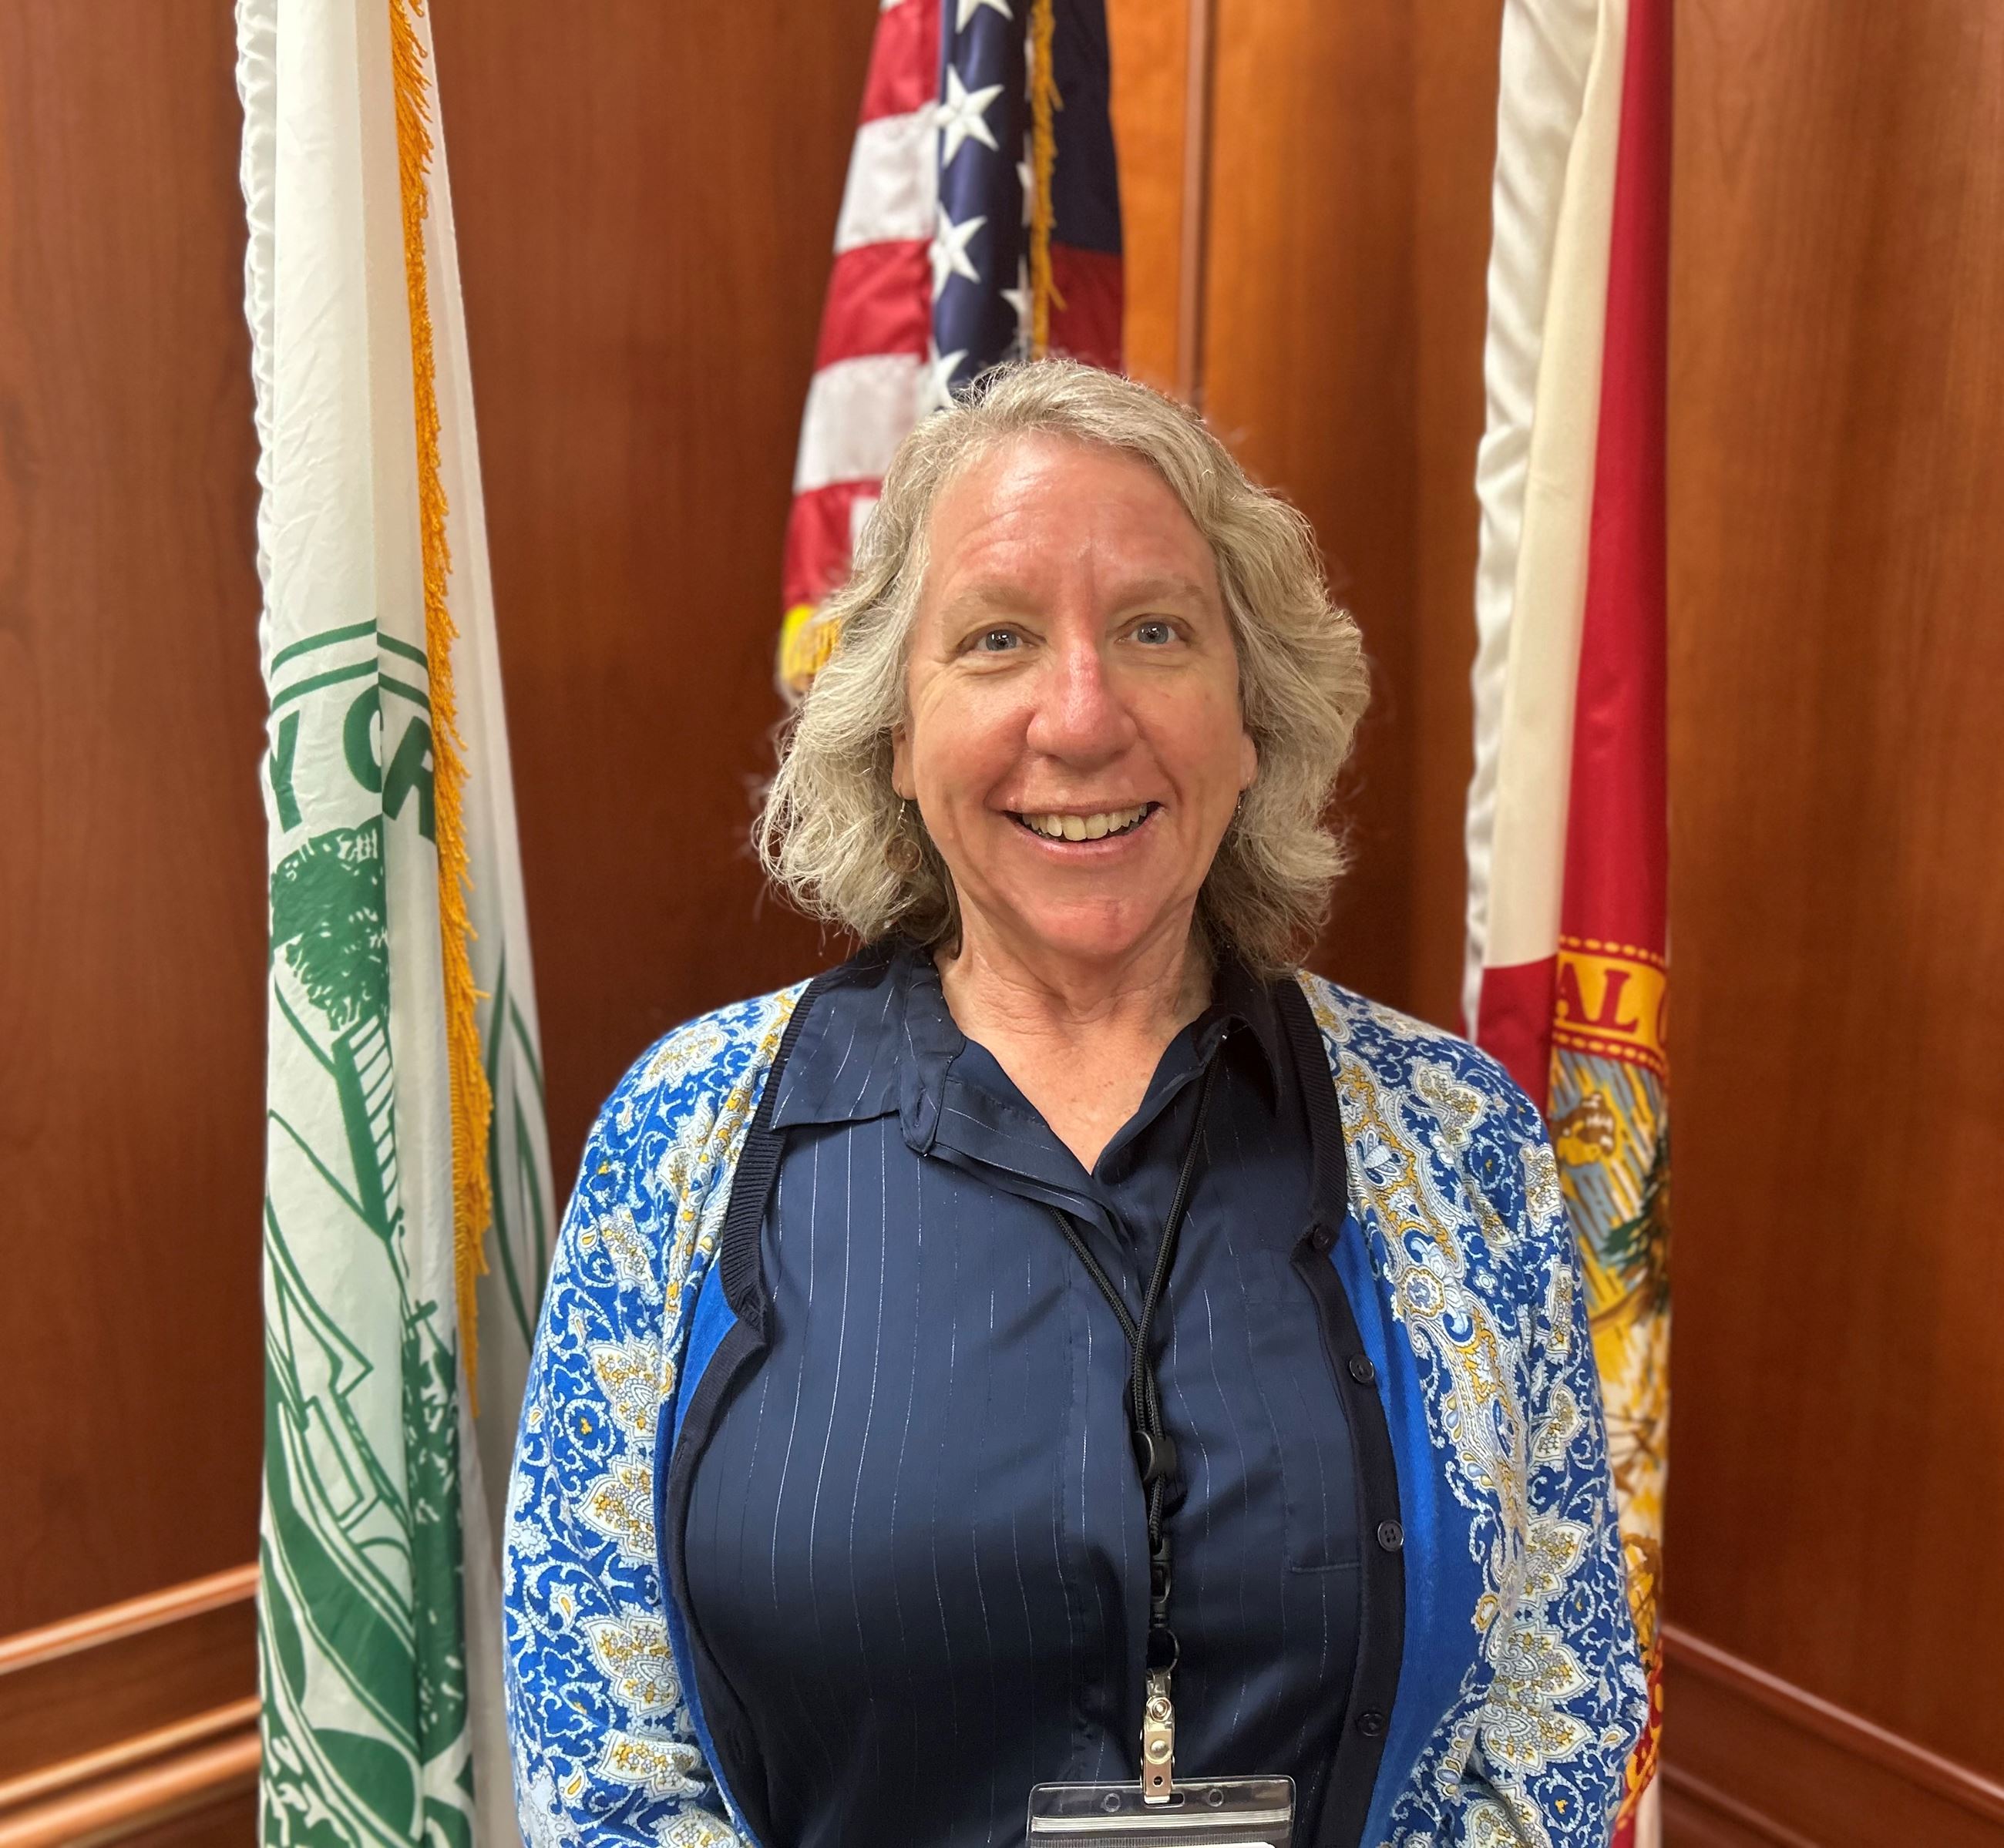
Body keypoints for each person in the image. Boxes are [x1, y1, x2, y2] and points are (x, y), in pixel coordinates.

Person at [502, 361, 1647, 1848]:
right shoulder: (686, 1132)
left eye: (1156, 629)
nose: (1084, 714)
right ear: (897, 737)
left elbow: (1559, 1706)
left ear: (1252, 719)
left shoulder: (1459, 1140)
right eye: (996, 639)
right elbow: (594, 1737)